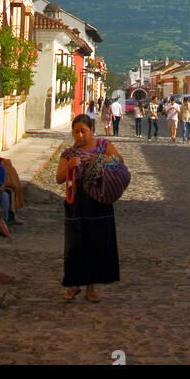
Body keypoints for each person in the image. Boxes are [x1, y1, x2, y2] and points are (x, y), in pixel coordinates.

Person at [55, 114, 123, 303]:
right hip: (76, 204)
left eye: (83, 131)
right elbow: (59, 178)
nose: (80, 135)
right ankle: (73, 285)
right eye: (76, 132)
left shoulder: (103, 146)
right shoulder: (68, 154)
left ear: (92, 130)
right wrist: (69, 166)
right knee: (75, 246)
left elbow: (120, 162)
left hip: (99, 204)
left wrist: (100, 160)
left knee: (96, 245)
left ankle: (91, 289)